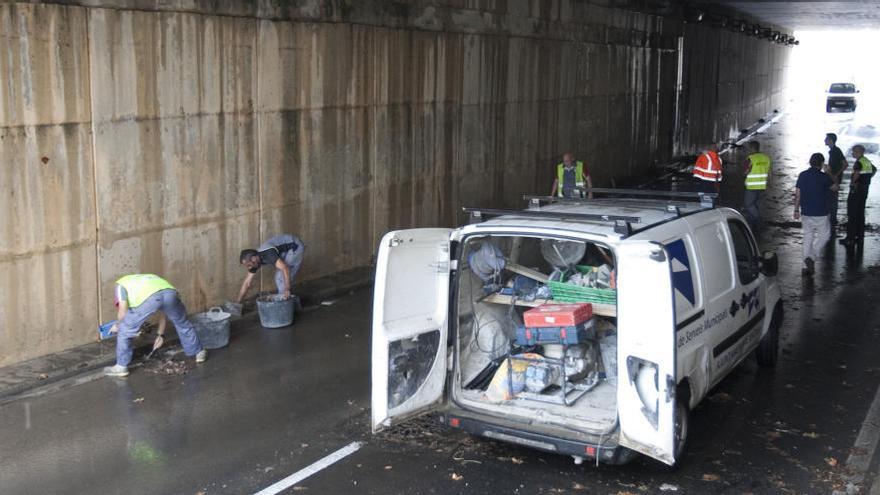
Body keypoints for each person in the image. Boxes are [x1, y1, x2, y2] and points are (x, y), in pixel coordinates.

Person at [104, 274, 206, 377]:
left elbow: (123, 310)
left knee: (124, 331)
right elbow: (163, 310)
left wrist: (118, 325)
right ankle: (199, 352)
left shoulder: (120, 285)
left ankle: (121, 367)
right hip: (171, 293)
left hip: (152, 298)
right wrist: (160, 335)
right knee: (182, 323)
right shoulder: (150, 278)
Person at [794, 153, 833, 275]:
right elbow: (836, 187)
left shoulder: (803, 175)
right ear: (821, 164)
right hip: (821, 212)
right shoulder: (824, 177)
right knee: (824, 236)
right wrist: (829, 173)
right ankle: (811, 256)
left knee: (808, 237)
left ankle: (805, 266)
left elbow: (798, 193)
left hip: (806, 211)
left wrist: (796, 209)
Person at [237, 234, 305, 303]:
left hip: (295, 246)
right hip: (284, 250)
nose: (249, 267)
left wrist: (287, 288)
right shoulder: (255, 262)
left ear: (253, 258)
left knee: (280, 278)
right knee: (280, 278)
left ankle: (285, 303)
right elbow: (246, 283)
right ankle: (286, 300)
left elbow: (285, 268)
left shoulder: (267, 254)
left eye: (248, 265)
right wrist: (238, 302)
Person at [840, 145, 876, 247]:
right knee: (860, 213)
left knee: (852, 214)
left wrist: (853, 183)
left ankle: (850, 238)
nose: (852, 153)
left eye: (853, 152)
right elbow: (874, 170)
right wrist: (866, 179)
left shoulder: (859, 162)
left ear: (858, 152)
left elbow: (856, 174)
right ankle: (859, 238)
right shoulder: (866, 161)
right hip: (865, 189)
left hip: (857, 190)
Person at [743, 140, 771, 230]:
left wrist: (744, 175)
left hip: (751, 185)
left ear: (751, 148)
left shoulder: (751, 158)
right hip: (762, 185)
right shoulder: (766, 158)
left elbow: (746, 172)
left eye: (749, 148)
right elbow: (770, 172)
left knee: (749, 205)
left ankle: (759, 221)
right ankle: (753, 223)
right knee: (755, 204)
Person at [824, 133, 848, 228]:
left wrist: (836, 175)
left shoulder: (835, 151)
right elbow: (844, 164)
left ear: (831, 140)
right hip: (834, 177)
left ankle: (832, 220)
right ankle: (832, 219)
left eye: (826, 139)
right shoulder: (834, 151)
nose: (824, 140)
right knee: (832, 198)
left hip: (833, 178)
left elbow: (845, 164)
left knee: (832, 199)